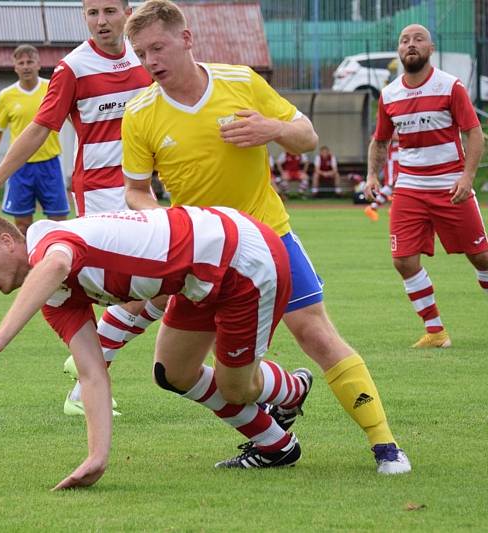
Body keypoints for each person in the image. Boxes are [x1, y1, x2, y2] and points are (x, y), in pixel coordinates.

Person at [121, 0, 409, 474]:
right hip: (201, 254)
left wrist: (271, 128)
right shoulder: (141, 112)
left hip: (268, 238)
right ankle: (289, 395)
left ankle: (386, 446)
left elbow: (307, 135)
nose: (150, 60)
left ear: (186, 39)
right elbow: (135, 191)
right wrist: (164, 225)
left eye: (158, 47)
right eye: (140, 52)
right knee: (173, 374)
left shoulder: (240, 81)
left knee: (316, 333)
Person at [0, 208, 313, 489]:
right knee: (173, 373)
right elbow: (92, 373)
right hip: (195, 281)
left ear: (8, 242)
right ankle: (275, 446)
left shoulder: (47, 243)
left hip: (241, 260)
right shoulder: (55, 299)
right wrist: (96, 458)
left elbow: (55, 263)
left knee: (236, 387)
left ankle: (293, 390)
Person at [0, 0, 159, 417]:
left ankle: (92, 362)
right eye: (93, 13)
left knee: (166, 285)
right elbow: (38, 129)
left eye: (110, 11)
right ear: (84, 18)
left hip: (144, 189)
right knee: (157, 286)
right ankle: (88, 376)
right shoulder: (73, 68)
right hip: (103, 198)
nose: (102, 21)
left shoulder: (147, 59)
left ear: (127, 12)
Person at [365, 24, 487, 348]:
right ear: (399, 50)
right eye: (405, 41)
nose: (411, 45)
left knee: (481, 258)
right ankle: (436, 332)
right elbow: (379, 141)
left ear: (430, 49)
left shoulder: (450, 87)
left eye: (419, 39)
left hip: (451, 187)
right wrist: (371, 176)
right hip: (410, 188)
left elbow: (475, 134)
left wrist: (466, 177)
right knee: (403, 260)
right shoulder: (389, 94)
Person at [0, 45, 70, 235]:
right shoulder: (6, 96)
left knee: (59, 223)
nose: (26, 66)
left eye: (30, 62)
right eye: (21, 63)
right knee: (22, 225)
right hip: (19, 167)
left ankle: (56, 262)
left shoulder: (52, 88)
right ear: (15, 67)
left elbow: (74, 120)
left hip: (51, 164)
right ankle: (27, 264)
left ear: (38, 64)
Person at [364, 132, 398, 221]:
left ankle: (376, 207)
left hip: (402, 156)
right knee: (392, 183)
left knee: (398, 183)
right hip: (393, 157)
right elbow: (376, 137)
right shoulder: (391, 121)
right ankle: (375, 207)